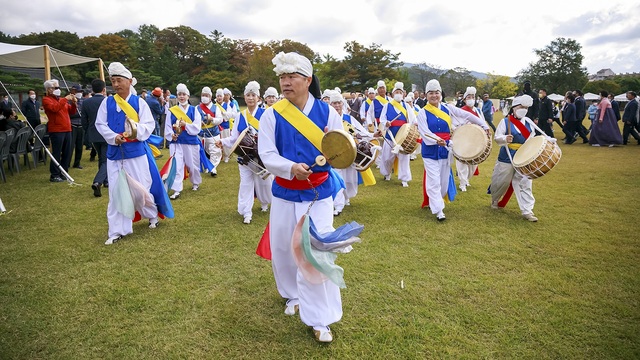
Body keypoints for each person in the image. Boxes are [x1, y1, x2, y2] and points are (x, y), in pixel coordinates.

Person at [257, 52, 345, 343]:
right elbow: (266, 153)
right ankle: (291, 295)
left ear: (308, 80)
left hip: (318, 194)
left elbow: (342, 147)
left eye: (292, 76)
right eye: (282, 77)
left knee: (316, 252)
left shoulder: (327, 112)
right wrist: (289, 168)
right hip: (284, 192)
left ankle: (320, 319)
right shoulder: (271, 114)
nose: (285, 82)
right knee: (283, 248)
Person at [95, 62, 173, 245]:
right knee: (116, 193)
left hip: (136, 153)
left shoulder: (140, 103)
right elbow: (100, 124)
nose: (116, 85)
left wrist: (134, 131)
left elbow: (149, 125)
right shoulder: (107, 102)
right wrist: (114, 137)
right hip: (115, 154)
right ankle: (117, 230)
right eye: (113, 81)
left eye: (119, 80)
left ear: (130, 81)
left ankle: (152, 214)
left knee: (141, 189)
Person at [417, 80, 490, 221]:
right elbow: (424, 132)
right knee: (434, 181)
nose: (434, 96)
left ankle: (438, 200)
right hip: (430, 152)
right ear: (426, 95)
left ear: (440, 94)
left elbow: (467, 115)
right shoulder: (422, 113)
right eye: (431, 93)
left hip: (445, 150)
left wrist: (483, 124)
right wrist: (436, 139)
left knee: (443, 181)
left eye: (436, 93)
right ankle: (438, 211)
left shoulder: (448, 108)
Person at [489, 94, 551, 222]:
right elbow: (497, 136)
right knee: (502, 181)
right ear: (514, 107)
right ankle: (495, 199)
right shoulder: (505, 121)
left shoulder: (528, 122)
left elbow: (533, 139)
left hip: (524, 156)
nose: (524, 109)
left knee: (525, 182)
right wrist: (505, 138)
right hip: (507, 155)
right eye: (521, 107)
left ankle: (527, 210)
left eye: (526, 108)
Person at [218, 81, 273, 224]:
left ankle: (265, 202)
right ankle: (246, 211)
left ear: (258, 98)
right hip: (244, 157)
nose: (250, 98)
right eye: (248, 95)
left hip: (261, 156)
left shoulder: (265, 114)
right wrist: (222, 142)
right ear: (244, 97)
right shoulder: (239, 116)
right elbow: (234, 137)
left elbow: (271, 135)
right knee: (246, 184)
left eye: (253, 95)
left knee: (264, 182)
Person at [330, 91, 373, 215]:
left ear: (342, 104)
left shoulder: (348, 119)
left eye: (338, 103)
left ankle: (346, 196)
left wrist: (372, 135)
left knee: (350, 179)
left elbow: (360, 131)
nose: (337, 105)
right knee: (337, 178)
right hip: (334, 154)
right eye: (334, 103)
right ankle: (338, 205)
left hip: (349, 154)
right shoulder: (327, 118)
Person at [164, 83, 204, 199]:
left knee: (192, 165)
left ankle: (195, 182)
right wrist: (171, 135)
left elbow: (197, 127)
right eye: (179, 94)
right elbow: (167, 127)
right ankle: (177, 189)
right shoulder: (172, 111)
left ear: (188, 96)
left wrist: (185, 125)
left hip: (191, 142)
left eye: (184, 94)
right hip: (177, 143)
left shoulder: (194, 110)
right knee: (177, 166)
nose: (181, 97)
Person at [379, 82, 416, 187]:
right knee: (387, 157)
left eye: (400, 92)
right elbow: (382, 118)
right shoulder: (387, 105)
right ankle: (386, 173)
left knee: (404, 158)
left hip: (403, 136)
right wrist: (386, 123)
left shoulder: (406, 106)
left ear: (403, 94)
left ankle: (404, 179)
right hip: (390, 134)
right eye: (397, 92)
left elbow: (413, 118)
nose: (398, 94)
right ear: (393, 93)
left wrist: (415, 124)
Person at [42, 79, 76, 182]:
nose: (58, 90)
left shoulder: (61, 100)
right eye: (56, 88)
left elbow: (71, 111)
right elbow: (54, 109)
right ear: (49, 89)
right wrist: (65, 99)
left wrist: (74, 103)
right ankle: (55, 174)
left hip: (67, 128)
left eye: (58, 88)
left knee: (67, 152)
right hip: (56, 129)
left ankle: (64, 172)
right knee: (56, 152)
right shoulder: (46, 100)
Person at [81, 79, 109, 197]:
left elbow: (84, 120)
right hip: (106, 134)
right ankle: (98, 181)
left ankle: (105, 181)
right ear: (104, 89)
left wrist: (88, 131)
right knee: (106, 160)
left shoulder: (86, 102)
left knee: (101, 158)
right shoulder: (107, 101)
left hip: (93, 133)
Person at [455, 86, 486, 192]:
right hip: (464, 139)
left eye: (472, 96)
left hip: (476, 140)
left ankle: (467, 179)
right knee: (462, 161)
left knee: (473, 163)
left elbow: (483, 122)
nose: (471, 98)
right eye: (468, 97)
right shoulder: (460, 111)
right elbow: (456, 125)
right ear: (464, 99)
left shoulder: (478, 111)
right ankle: (462, 182)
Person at [197, 86, 223, 177]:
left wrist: (212, 119)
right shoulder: (197, 108)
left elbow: (220, 119)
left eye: (206, 95)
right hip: (201, 133)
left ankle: (213, 168)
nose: (204, 97)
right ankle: (204, 166)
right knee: (202, 151)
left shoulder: (216, 108)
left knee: (215, 151)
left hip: (213, 133)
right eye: (203, 95)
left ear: (210, 97)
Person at [69, 84, 85, 169]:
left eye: (79, 91)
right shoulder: (69, 100)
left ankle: (77, 163)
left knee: (79, 145)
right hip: (72, 124)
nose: (78, 93)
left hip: (81, 125)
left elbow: (84, 113)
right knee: (70, 146)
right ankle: (67, 162)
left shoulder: (84, 101)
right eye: (76, 91)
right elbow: (70, 113)